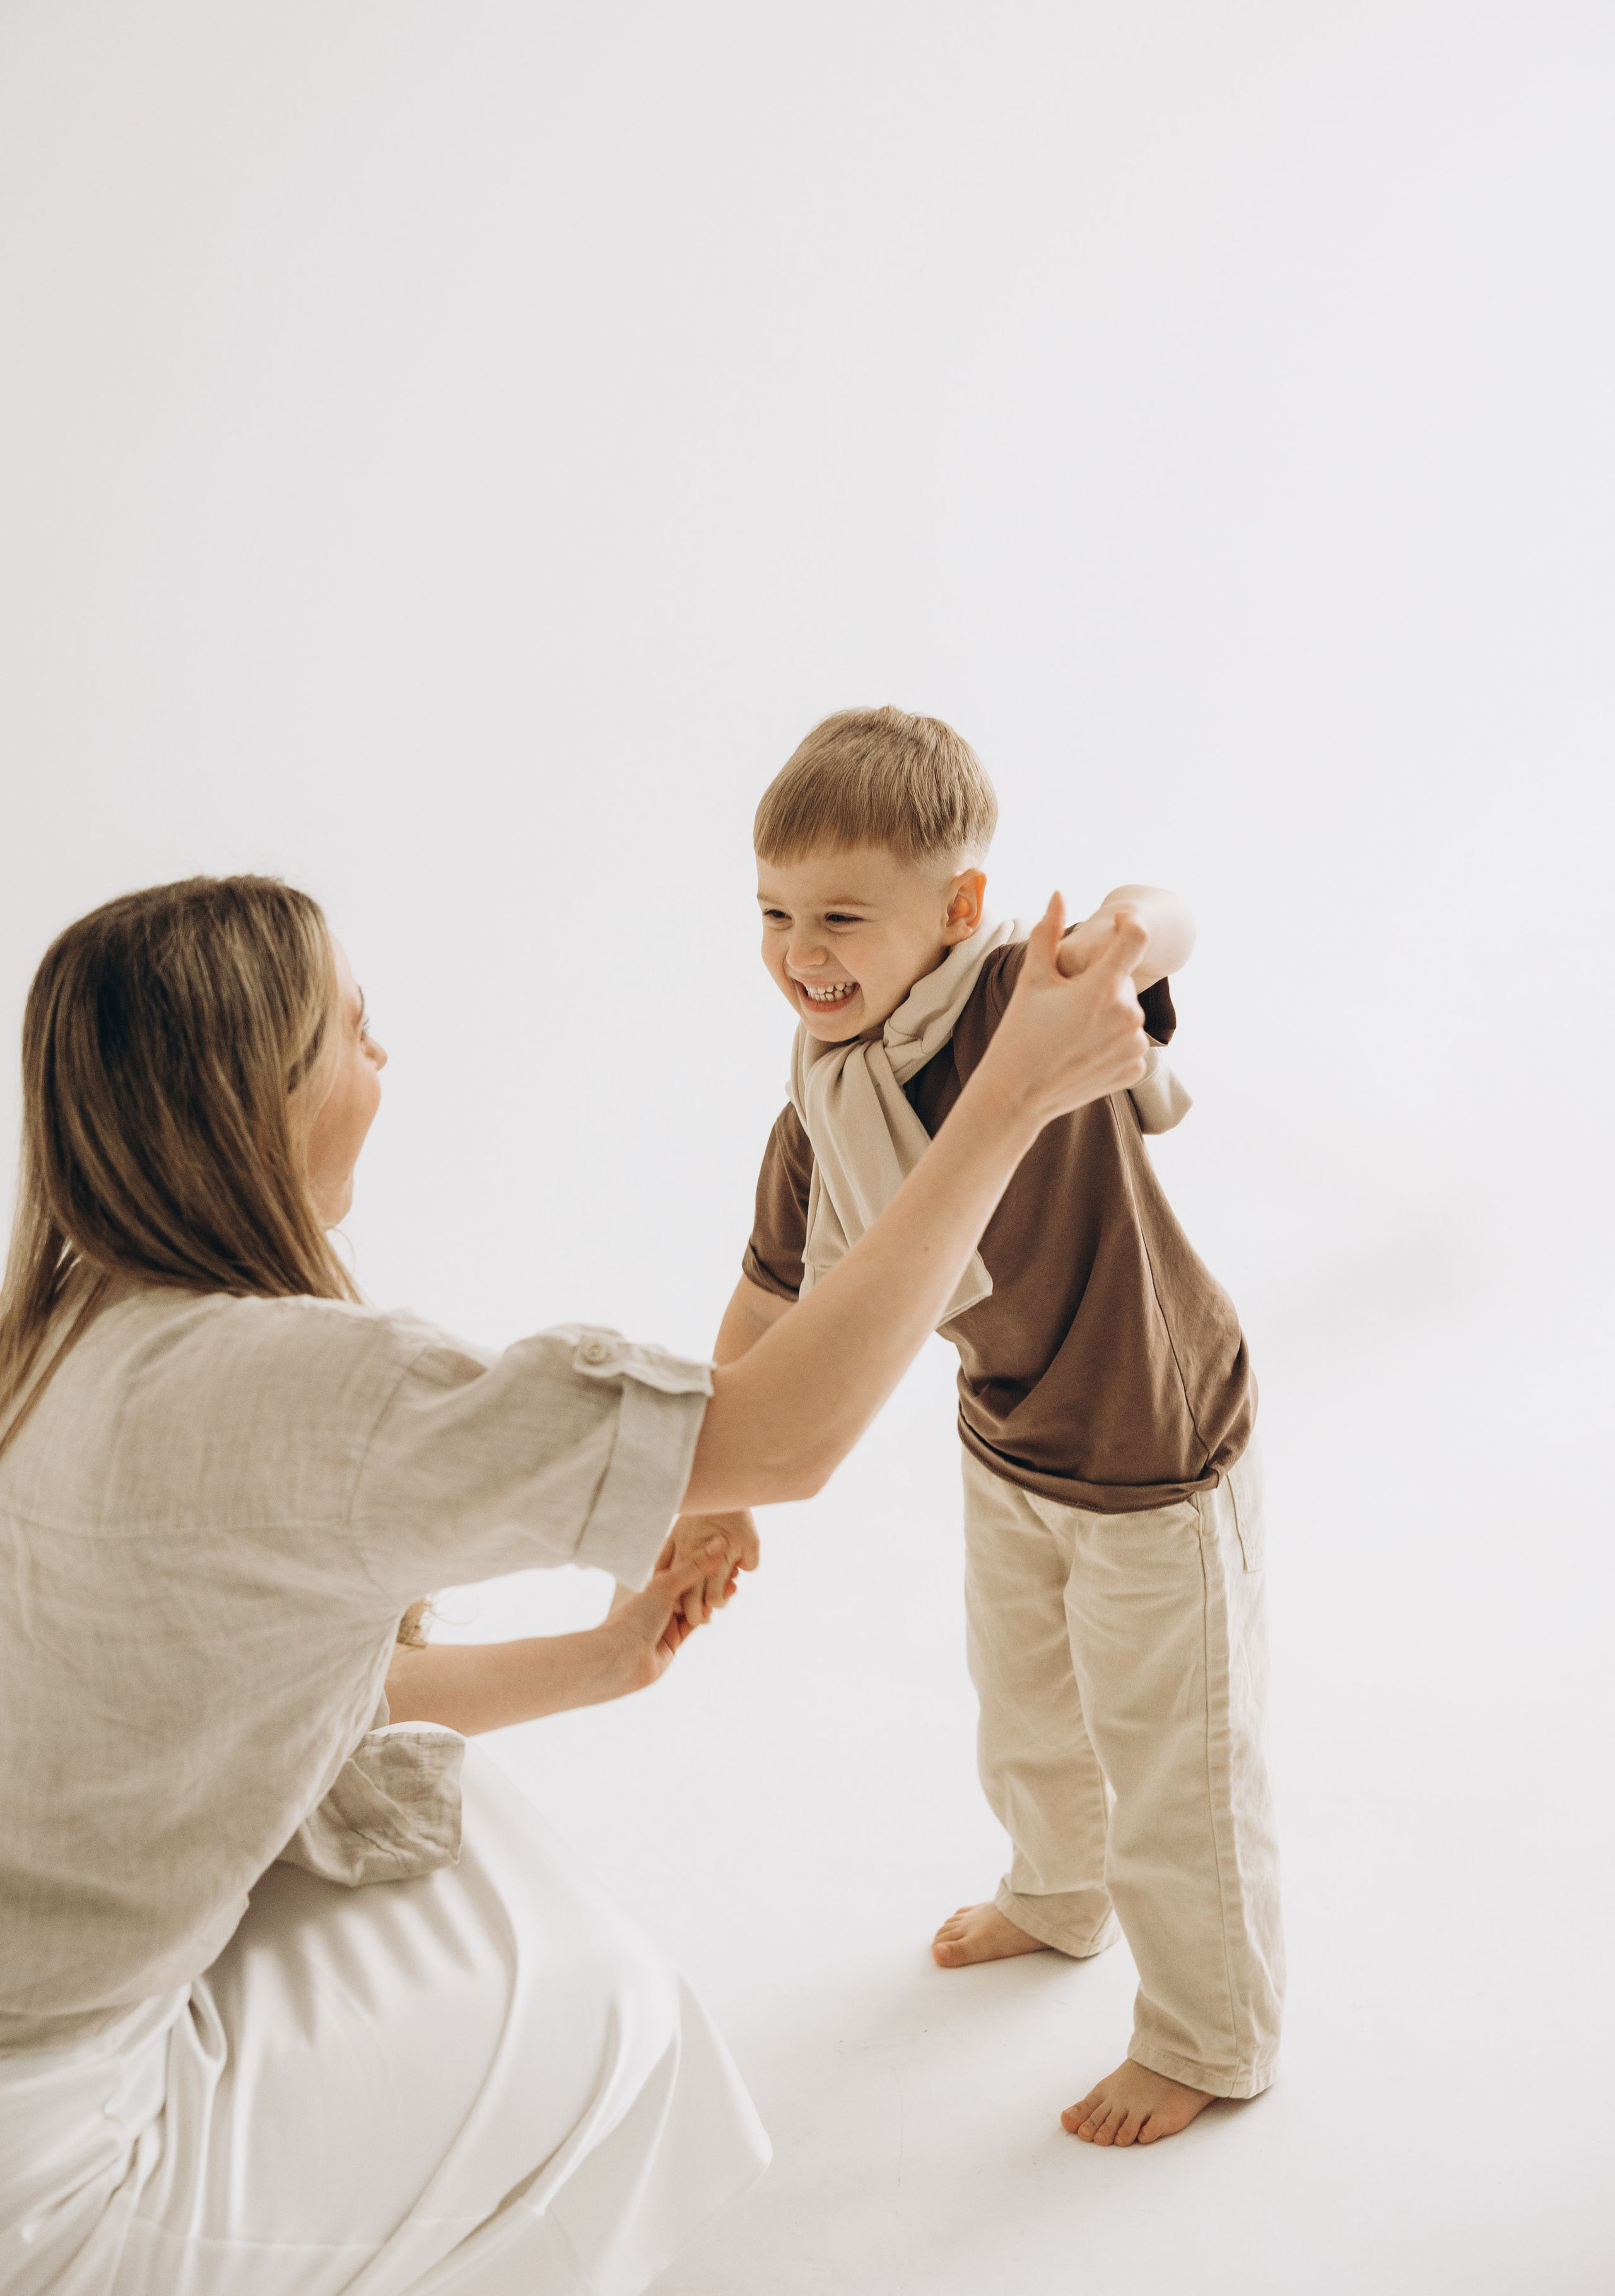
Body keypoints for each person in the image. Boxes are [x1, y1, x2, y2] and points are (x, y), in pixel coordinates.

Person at [0, 868, 1147, 2293]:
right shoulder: (289, 1390)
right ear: (256, 1105)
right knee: (611, 2012)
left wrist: (601, 1662)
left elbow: (236, 1703)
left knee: (478, 1856)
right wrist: (1007, 1103)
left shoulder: (61, 1333)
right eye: (352, 1032)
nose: (383, 1059)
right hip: (51, 2179)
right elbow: (781, 1439)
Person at [661, 707, 1283, 2150]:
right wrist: (716, 1487)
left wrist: (1127, 929)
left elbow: (1170, 916)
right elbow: (760, 1306)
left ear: (950, 911)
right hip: (1006, 1428)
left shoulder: (1024, 997)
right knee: (1024, 1706)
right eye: (771, 912)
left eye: (837, 915)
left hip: (1149, 1436)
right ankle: (1057, 1896)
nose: (798, 950)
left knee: (1170, 1752)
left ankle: (1210, 2034)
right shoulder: (822, 1102)